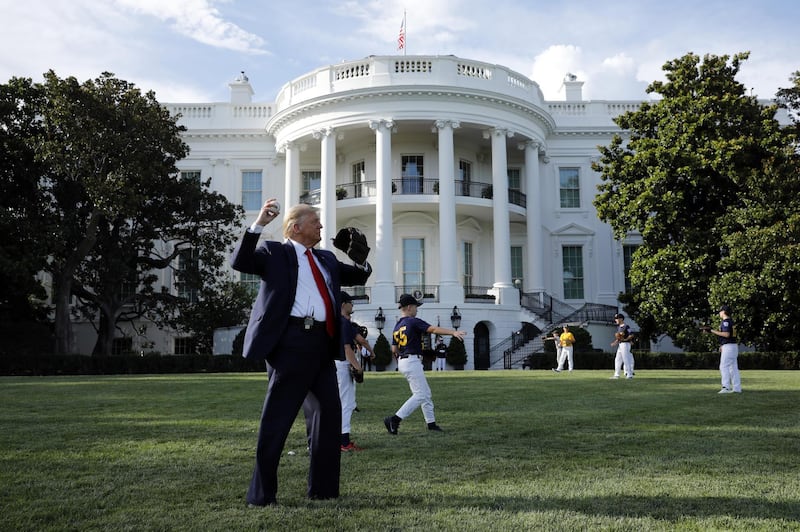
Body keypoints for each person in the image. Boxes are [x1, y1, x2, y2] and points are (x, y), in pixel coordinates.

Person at [231, 199, 371, 506]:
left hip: (322, 344)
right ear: (296, 227)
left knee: (328, 415)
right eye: (315, 222)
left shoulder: (325, 258)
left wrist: (361, 258)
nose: (321, 226)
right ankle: (262, 495)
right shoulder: (274, 253)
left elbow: (359, 277)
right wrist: (259, 225)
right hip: (290, 344)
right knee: (277, 421)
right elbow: (240, 261)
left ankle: (323, 491)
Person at [384, 294, 466, 435]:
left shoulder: (397, 325)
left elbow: (394, 349)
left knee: (425, 393)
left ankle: (431, 423)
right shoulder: (412, 321)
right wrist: (453, 332)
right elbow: (433, 329)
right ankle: (395, 419)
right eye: (416, 306)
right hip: (411, 361)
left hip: (404, 360)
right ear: (409, 307)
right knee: (421, 394)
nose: (416, 310)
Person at [338, 292, 364, 451]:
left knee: (336, 403)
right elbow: (347, 347)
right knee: (345, 404)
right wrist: (357, 367)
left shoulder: (333, 320)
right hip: (341, 364)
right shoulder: (344, 322)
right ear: (343, 304)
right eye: (350, 302)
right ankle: (344, 442)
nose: (352, 305)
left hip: (331, 364)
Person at [704, 304, 741, 394]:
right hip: (733, 346)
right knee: (733, 368)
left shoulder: (726, 322)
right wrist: (722, 345)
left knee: (723, 366)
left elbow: (726, 334)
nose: (719, 313)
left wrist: (711, 331)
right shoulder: (732, 321)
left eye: (720, 311)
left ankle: (726, 387)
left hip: (728, 347)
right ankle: (737, 388)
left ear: (723, 312)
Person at [610, 313, 634, 379]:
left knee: (626, 359)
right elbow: (619, 338)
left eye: (617, 318)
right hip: (621, 344)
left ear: (621, 319)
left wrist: (626, 339)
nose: (616, 320)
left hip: (626, 344)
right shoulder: (619, 327)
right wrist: (615, 342)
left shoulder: (626, 326)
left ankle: (629, 375)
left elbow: (631, 334)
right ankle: (616, 375)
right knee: (617, 359)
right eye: (615, 318)